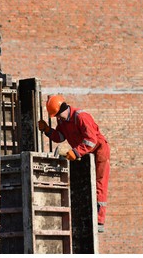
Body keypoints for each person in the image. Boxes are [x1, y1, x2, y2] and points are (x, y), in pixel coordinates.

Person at [38, 95, 110, 233]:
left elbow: (91, 140)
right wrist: (47, 130)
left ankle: (99, 221)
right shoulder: (64, 122)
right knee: (85, 183)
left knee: (99, 184)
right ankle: (87, 214)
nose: (58, 118)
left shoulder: (81, 116)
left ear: (64, 109)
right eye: (56, 116)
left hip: (99, 151)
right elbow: (60, 137)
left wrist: (76, 152)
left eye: (58, 115)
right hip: (84, 153)